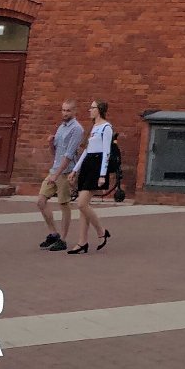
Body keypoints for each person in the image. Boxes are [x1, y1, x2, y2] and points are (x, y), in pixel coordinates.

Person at [67, 99, 113, 254]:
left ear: (99, 109)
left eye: (92, 108)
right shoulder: (94, 127)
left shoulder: (106, 127)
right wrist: (75, 170)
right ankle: (82, 242)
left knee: (81, 204)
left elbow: (106, 152)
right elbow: (87, 150)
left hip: (97, 166)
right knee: (83, 207)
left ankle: (101, 231)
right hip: (87, 164)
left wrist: (102, 174)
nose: (89, 110)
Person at [37, 98, 84, 251]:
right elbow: (55, 153)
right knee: (41, 201)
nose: (65, 113)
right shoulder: (61, 127)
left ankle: (63, 239)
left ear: (74, 111)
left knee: (64, 204)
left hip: (65, 172)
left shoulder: (77, 129)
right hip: (55, 170)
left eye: (68, 110)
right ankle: (53, 233)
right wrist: (50, 143)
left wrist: (56, 175)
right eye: (63, 110)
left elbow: (69, 155)